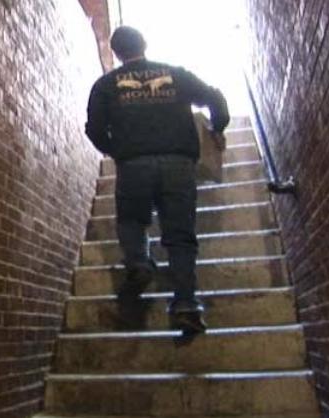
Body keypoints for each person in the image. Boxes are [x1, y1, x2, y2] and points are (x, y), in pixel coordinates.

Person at [85, 26, 229, 334]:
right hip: (178, 163)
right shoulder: (175, 74)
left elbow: (94, 129)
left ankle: (139, 263)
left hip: (133, 164)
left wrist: (118, 151)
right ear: (144, 44)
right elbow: (215, 98)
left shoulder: (106, 84)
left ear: (116, 53)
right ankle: (186, 305)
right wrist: (218, 128)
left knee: (132, 220)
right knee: (180, 234)